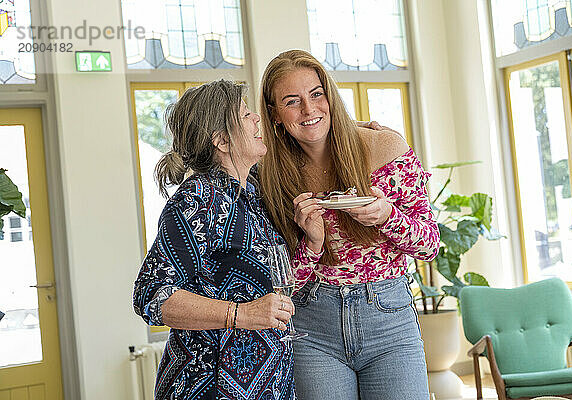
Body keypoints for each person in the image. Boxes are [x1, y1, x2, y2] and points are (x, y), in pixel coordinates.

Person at [259, 50, 440, 400]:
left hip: (388, 318)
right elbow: (283, 284)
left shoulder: (384, 146)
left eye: (316, 94)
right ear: (275, 115)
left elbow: (430, 244)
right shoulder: (272, 176)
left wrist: (388, 217)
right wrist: (311, 245)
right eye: (292, 102)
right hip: (314, 327)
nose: (309, 110)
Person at [133, 80, 298, 400]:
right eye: (246, 114)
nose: (257, 119)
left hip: (266, 386)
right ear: (222, 140)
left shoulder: (254, 192)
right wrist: (242, 314)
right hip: (209, 385)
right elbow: (152, 296)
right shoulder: (197, 199)